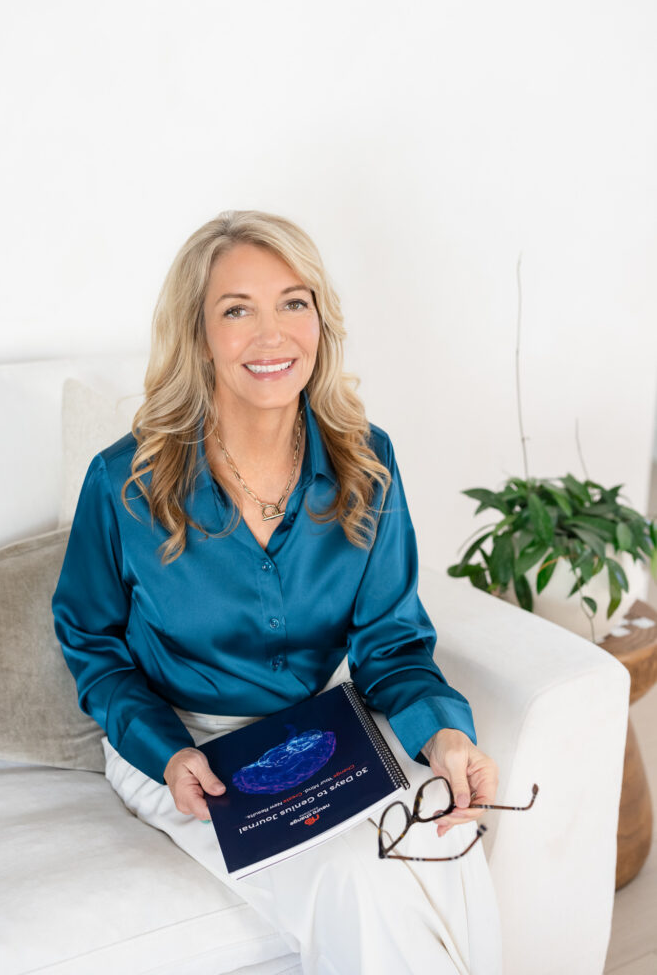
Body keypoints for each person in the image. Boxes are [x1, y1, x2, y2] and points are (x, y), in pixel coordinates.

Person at [52, 209, 503, 974]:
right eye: (237, 310)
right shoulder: (122, 482)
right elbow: (91, 645)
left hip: (322, 733)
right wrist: (164, 751)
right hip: (186, 749)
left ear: (320, 321)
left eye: (293, 303)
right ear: (197, 334)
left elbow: (392, 646)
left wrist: (443, 733)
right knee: (354, 879)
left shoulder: (368, 463)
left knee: (444, 838)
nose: (272, 335)